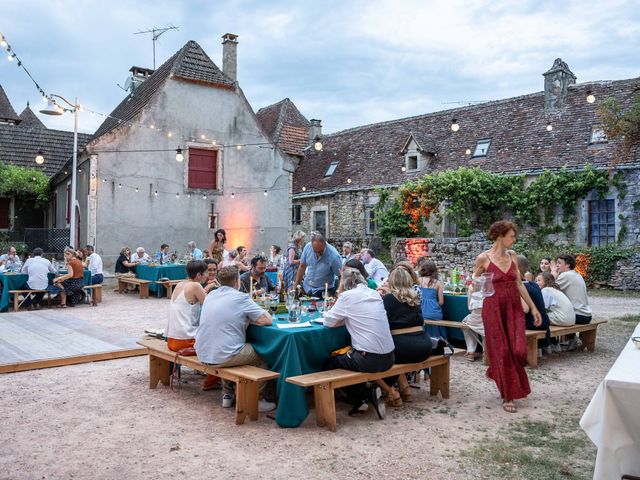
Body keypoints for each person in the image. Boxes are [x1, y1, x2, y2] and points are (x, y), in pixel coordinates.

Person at [474, 220, 542, 414]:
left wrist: (533, 308)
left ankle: (497, 371)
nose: (514, 240)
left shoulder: (513, 256)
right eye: (511, 236)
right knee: (502, 351)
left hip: (513, 308)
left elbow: (519, 284)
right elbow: (474, 281)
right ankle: (508, 395)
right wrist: (479, 282)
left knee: (519, 349)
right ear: (500, 236)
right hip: (493, 309)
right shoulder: (483, 258)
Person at [195, 266, 276, 412]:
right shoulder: (241, 297)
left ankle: (227, 394)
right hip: (222, 355)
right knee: (265, 353)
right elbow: (267, 320)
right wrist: (247, 320)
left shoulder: (211, 295)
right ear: (237, 281)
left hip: (203, 351)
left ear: (218, 281)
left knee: (230, 348)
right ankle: (256, 399)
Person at [323, 268, 395, 417]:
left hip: (369, 359)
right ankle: (363, 396)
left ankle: (362, 396)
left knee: (330, 362)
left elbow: (328, 322)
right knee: (352, 355)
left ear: (344, 283)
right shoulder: (374, 293)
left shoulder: (346, 296)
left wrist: (339, 317)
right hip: (390, 357)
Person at [378, 267, 433, 406]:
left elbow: (384, 325)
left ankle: (389, 391)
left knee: (382, 355)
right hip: (424, 346)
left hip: (404, 347)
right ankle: (405, 389)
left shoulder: (389, 299)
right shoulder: (415, 297)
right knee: (395, 354)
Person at [552, 253, 592, 351]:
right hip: (586, 314)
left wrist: (553, 272)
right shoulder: (576, 274)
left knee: (548, 314)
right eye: (556, 263)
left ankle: (554, 343)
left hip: (579, 315)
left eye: (559, 263)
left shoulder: (566, 275)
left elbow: (549, 290)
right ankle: (571, 339)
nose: (557, 265)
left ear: (568, 265)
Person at [516, 255, 551, 353]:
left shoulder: (521, 287)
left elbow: (525, 309)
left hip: (534, 323)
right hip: (545, 321)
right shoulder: (533, 284)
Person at [293, 232, 342, 299]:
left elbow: (341, 276)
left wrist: (338, 292)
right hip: (307, 287)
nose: (318, 254)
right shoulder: (308, 247)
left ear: (325, 244)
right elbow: (302, 266)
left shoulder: (334, 256)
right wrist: (295, 286)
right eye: (315, 251)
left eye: (320, 251)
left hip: (323, 291)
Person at [419, 260, 446, 339]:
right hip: (435, 313)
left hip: (421, 312)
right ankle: (436, 340)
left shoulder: (418, 280)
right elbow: (441, 302)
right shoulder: (437, 283)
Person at [462, 282, 484, 361]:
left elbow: (470, 308)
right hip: (488, 318)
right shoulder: (492, 285)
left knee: (465, 324)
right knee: (484, 326)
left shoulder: (472, 286)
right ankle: (485, 351)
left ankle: (471, 351)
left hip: (475, 319)